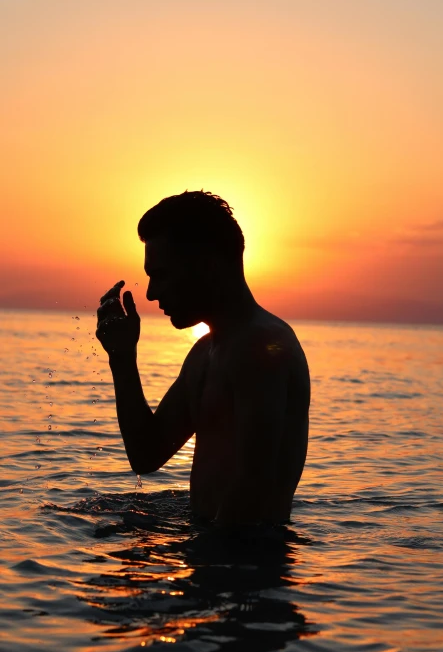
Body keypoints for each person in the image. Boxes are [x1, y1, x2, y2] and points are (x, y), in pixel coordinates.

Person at [96, 190, 310, 526]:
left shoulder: (263, 348)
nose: (151, 293)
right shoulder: (206, 353)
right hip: (214, 560)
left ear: (207, 265)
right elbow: (147, 453)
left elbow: (252, 496)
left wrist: (190, 563)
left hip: (248, 570)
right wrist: (122, 359)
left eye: (161, 274)